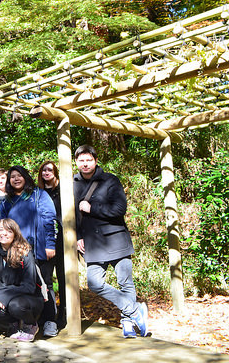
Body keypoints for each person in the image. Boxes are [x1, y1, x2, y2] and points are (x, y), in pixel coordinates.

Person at [74, 145, 149, 338]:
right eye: (81, 160)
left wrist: (92, 208)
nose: (85, 164)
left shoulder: (110, 180)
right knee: (94, 283)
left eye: (88, 160)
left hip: (115, 239)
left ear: (95, 161)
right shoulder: (73, 184)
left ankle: (127, 323)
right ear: (76, 162)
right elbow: (71, 215)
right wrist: (77, 236)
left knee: (126, 283)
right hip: (92, 243)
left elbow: (119, 209)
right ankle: (134, 310)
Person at [0, 165, 57, 337]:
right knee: (23, 286)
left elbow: (50, 219)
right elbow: (1, 227)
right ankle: (30, 322)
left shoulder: (39, 195)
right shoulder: (6, 202)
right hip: (17, 253)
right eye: (12, 177)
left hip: (39, 249)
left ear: (26, 177)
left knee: (45, 284)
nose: (16, 179)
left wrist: (50, 244)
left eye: (19, 176)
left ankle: (50, 321)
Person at [0, 218, 44, 341]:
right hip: (7, 294)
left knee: (15, 305)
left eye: (9, 231)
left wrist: (4, 297)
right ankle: (14, 324)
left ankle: (31, 324)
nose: (4, 233)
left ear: (15, 234)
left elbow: (29, 286)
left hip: (30, 297)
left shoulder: (25, 252)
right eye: (1, 230)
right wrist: (0, 297)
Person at [37, 160, 66, 328]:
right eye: (43, 170)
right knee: (46, 279)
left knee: (63, 278)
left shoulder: (63, 191)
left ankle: (64, 314)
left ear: (55, 172)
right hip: (45, 242)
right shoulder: (38, 193)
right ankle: (48, 315)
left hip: (62, 239)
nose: (46, 173)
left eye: (49, 170)